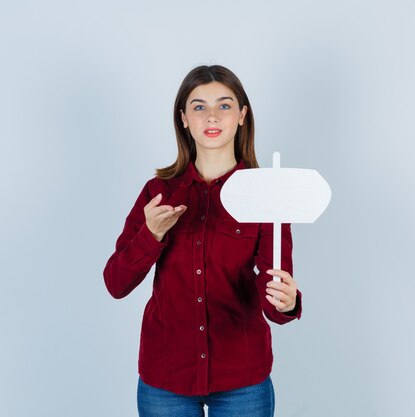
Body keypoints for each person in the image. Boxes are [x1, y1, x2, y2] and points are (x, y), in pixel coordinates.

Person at [103, 65, 302, 417]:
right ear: (183, 118)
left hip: (242, 380)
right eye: (199, 106)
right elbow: (116, 283)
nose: (212, 116)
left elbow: (274, 299)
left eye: (224, 105)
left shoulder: (267, 196)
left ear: (242, 115)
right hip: (166, 379)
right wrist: (151, 235)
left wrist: (285, 302)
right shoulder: (158, 193)